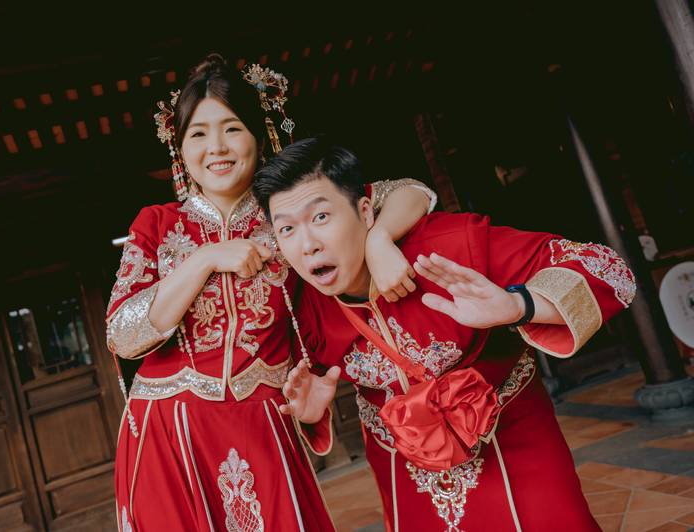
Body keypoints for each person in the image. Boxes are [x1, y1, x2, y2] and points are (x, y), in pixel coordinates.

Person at [106, 56, 437, 532]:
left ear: (259, 137)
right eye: (198, 134)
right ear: (179, 147)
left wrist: (380, 238)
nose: (216, 148)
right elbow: (123, 335)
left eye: (231, 129)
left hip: (261, 425)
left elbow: (412, 191)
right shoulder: (156, 225)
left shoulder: (290, 215)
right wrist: (204, 259)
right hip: (168, 432)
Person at [253, 137, 636, 532]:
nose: (308, 245)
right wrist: (313, 414)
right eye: (287, 229)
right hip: (405, 472)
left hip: (512, 446)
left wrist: (519, 304)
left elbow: (607, 269)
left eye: (320, 217)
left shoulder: (447, 248)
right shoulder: (301, 308)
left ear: (365, 212)